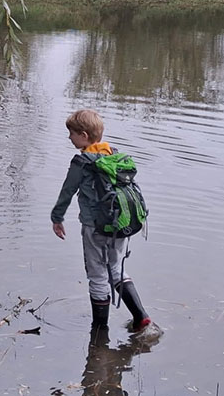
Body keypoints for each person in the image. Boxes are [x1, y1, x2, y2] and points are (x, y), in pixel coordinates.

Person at [50, 109, 152, 333]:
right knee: (116, 268)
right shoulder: (114, 154)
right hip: (120, 224)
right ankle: (141, 316)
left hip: (94, 227)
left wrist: (57, 218)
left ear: (84, 135)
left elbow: (67, 192)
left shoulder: (82, 161)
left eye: (72, 134)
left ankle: (99, 333)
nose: (69, 138)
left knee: (97, 275)